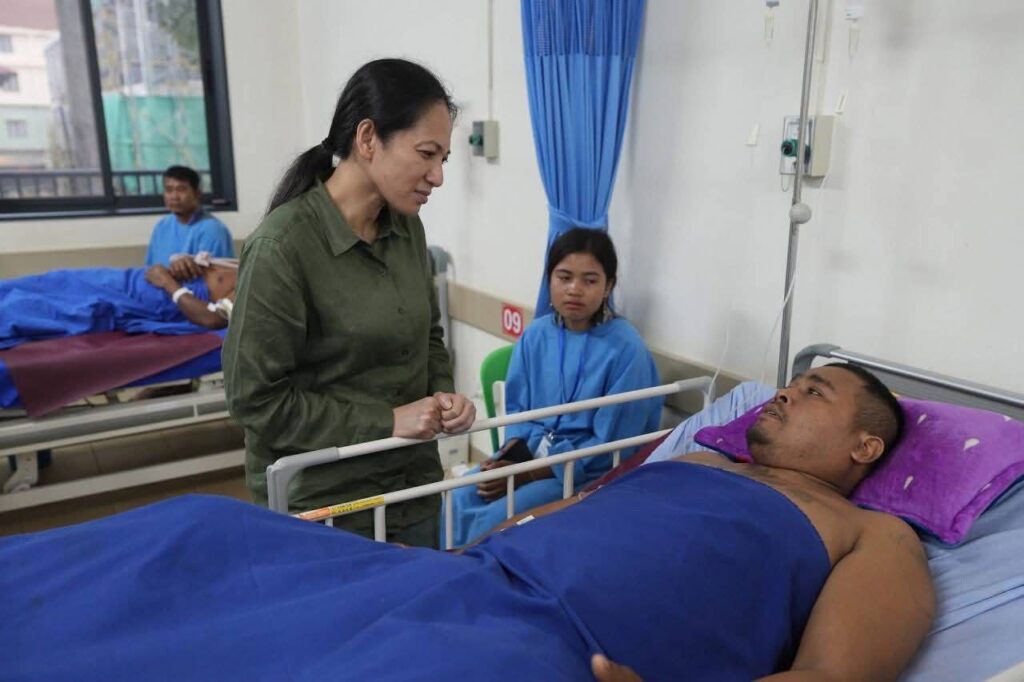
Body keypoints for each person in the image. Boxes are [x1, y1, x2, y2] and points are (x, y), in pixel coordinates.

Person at [0, 363, 934, 681]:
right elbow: (576, 509)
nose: (782, 396)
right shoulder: (697, 460)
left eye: (813, 392)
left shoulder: (874, 540)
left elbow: (829, 678)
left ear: (864, 446)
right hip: (462, 580)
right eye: (788, 384)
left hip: (558, 645)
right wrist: (460, 559)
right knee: (204, 533)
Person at [223, 58, 475, 548]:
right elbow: (256, 400)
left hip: (414, 488)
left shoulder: (407, 229)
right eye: (427, 154)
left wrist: (444, 398)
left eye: (444, 159)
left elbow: (428, 336)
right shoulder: (283, 248)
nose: (438, 176)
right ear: (367, 138)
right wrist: (388, 422)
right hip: (327, 505)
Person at [446, 227, 662, 546]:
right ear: (549, 281)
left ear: (608, 286)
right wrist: (508, 458)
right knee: (458, 497)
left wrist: (529, 474)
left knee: (494, 520)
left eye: (589, 280)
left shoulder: (626, 350)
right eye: (564, 277)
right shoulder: (537, 335)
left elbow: (611, 446)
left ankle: (476, 575)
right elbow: (518, 411)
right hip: (530, 456)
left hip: (585, 471)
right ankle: (447, 569)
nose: (575, 289)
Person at [0, 262, 237, 349]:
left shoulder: (252, 280)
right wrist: (183, 261)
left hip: (146, 301)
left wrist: (168, 283)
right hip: (131, 278)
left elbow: (212, 319)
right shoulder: (240, 260)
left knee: (55, 307)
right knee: (57, 281)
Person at [145, 165, 235, 279]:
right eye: (169, 190)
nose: (174, 197)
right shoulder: (162, 226)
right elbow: (150, 270)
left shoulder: (212, 229)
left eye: (181, 190)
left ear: (197, 193)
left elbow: (215, 281)